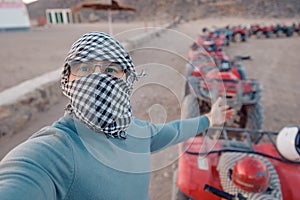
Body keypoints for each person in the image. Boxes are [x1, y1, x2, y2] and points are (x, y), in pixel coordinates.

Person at [0, 32, 234, 200]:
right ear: (67, 82)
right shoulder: (52, 154)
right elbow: (20, 178)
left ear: (128, 80)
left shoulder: (139, 132)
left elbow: (173, 131)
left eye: (111, 70)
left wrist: (211, 119)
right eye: (84, 69)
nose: (98, 79)